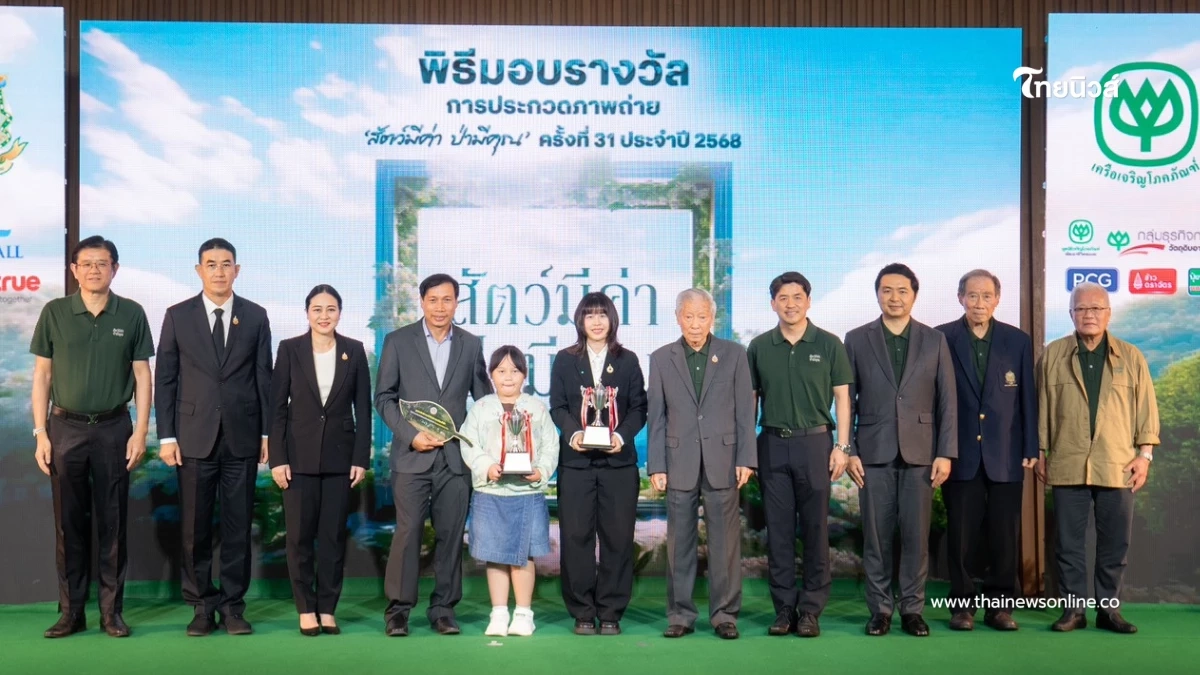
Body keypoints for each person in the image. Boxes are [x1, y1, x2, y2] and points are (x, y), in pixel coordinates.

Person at [31, 235, 154, 638]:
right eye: (86, 263)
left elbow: (142, 375)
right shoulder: (54, 312)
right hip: (63, 428)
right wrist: (40, 433)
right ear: (74, 270)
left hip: (115, 428)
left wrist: (140, 431)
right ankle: (70, 612)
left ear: (115, 269)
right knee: (68, 525)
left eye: (102, 263)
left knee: (113, 524)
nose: (94, 270)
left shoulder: (132, 314)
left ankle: (111, 614)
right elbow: (42, 376)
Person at [155, 238, 271, 637]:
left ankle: (234, 607)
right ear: (198, 270)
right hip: (192, 437)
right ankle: (202, 606)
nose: (219, 271)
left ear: (237, 270)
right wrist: (166, 436)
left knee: (239, 527)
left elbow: (263, 378)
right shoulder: (177, 316)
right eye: (211, 264)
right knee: (195, 528)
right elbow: (165, 380)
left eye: (226, 264)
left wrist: (266, 432)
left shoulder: (256, 316)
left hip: (241, 436)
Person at [1037, 281, 1158, 634]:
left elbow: (1146, 410)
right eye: (1081, 309)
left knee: (1115, 544)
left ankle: (1109, 611)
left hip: (1117, 463)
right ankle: (1073, 611)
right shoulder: (1053, 355)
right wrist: (1040, 452)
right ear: (1071, 313)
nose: (1089, 315)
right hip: (1067, 460)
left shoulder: (1131, 356)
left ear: (1108, 313)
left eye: (1096, 308)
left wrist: (1145, 455)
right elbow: (1042, 408)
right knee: (1068, 544)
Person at [375, 273, 491, 636]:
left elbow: (483, 402)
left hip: (454, 462)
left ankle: (443, 609)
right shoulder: (398, 341)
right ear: (421, 302)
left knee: (451, 534)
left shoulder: (471, 345)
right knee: (408, 532)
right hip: (411, 458)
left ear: (457, 303)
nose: (440, 307)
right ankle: (398, 610)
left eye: (448, 300)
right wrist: (411, 435)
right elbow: (384, 398)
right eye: (433, 300)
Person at [844, 263, 956, 637]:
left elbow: (947, 402)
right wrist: (850, 449)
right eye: (887, 290)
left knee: (915, 537)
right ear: (877, 294)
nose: (895, 297)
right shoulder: (857, 338)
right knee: (876, 538)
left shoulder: (934, 340)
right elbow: (848, 402)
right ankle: (880, 611)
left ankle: (912, 609)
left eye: (902, 290)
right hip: (872, 454)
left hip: (921, 454)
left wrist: (945, 452)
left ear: (914, 295)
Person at [647, 288, 756, 640]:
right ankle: (680, 614)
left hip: (724, 461)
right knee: (680, 543)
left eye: (702, 317)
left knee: (725, 544)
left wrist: (746, 458)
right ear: (678, 317)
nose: (695, 324)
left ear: (713, 318)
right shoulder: (661, 358)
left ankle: (725, 615)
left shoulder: (735, 354)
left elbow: (745, 412)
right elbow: (657, 416)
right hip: (678, 461)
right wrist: (656, 465)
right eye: (689, 316)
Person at [746, 272, 852, 638]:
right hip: (772, 444)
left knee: (815, 529)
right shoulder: (759, 347)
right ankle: (784, 609)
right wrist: (747, 452)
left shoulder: (829, 343)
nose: (790, 304)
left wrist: (842, 446)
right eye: (782, 298)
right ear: (772, 303)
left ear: (808, 300)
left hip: (816, 445)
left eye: (797, 297)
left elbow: (842, 398)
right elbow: (751, 402)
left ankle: (810, 610)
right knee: (777, 532)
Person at [935, 270, 1037, 631]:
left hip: (1007, 452)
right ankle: (962, 607)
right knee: (961, 534)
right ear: (960, 297)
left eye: (987, 296)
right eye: (972, 295)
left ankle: (1000, 607)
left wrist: (1030, 445)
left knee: (1004, 533)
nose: (979, 303)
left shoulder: (1018, 340)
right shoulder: (941, 338)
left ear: (998, 298)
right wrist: (940, 450)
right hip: (959, 453)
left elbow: (1027, 397)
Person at [268, 285, 371, 636]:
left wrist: (361, 457)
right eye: (317, 309)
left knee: (332, 538)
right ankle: (305, 609)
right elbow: (277, 408)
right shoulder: (289, 349)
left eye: (330, 309)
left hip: (341, 460)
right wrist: (278, 459)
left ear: (340, 313)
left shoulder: (354, 351)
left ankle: (327, 608)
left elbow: (364, 409)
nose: (324, 315)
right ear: (307, 313)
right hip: (297, 459)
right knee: (298, 538)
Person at [548, 292, 648, 636]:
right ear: (580, 320)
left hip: (618, 464)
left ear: (612, 320)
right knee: (576, 537)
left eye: (602, 315)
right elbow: (558, 406)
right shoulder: (564, 360)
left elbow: (639, 408)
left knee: (618, 538)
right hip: (576, 463)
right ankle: (582, 612)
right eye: (589, 315)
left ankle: (610, 612)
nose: (596, 321)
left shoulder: (628, 360)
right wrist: (573, 433)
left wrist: (620, 437)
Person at [459, 346, 560, 637]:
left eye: (514, 371)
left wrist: (540, 470)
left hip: (526, 493)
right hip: (491, 493)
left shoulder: (536, 408)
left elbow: (551, 444)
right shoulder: (480, 408)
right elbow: (468, 443)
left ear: (524, 376)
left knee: (523, 555)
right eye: (501, 371)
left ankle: (524, 614)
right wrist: (487, 466)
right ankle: (499, 613)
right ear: (491, 375)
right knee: (496, 555)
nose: (508, 377)